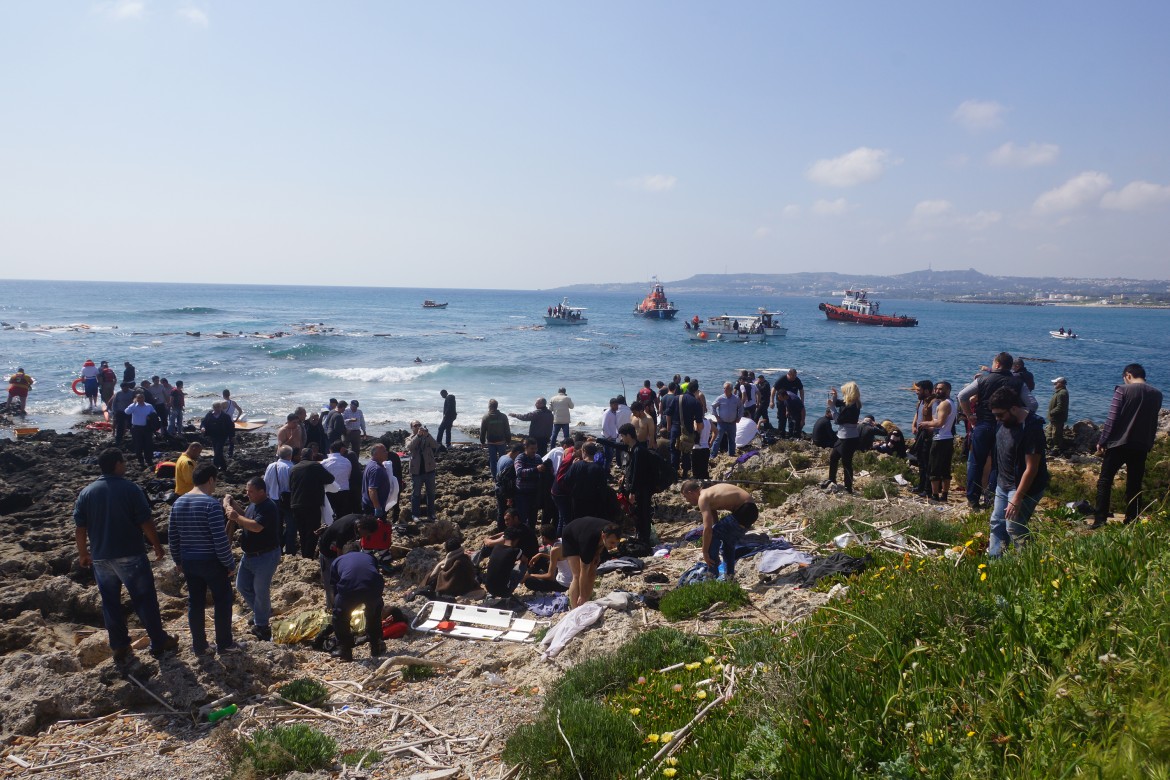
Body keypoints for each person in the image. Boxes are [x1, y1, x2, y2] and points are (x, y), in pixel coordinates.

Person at [74, 448, 178, 664]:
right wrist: (156, 545)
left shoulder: (86, 493)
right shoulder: (130, 489)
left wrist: (83, 553)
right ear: (117, 464)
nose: (125, 465)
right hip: (130, 554)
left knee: (110, 602)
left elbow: (80, 527)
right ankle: (158, 641)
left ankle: (119, 645)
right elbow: (145, 521)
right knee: (144, 599)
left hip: (101, 557)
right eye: (123, 462)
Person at [170, 463, 239, 655]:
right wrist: (229, 563)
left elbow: (173, 536)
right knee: (223, 600)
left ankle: (199, 646)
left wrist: (177, 560)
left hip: (189, 561)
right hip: (211, 561)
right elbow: (220, 539)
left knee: (195, 602)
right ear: (210, 480)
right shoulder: (211, 504)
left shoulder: (178, 503)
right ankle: (225, 644)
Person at [957, 352, 1038, 510]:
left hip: (983, 423)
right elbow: (1033, 405)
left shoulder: (984, 379)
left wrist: (969, 415)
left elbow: (962, 396)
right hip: (1006, 427)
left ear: (997, 364)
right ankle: (991, 499)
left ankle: (972, 498)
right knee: (998, 464)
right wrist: (1018, 415)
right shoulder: (1018, 382)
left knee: (976, 462)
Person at [1091, 364, 1163, 528]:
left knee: (1105, 480)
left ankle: (1100, 519)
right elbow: (1153, 421)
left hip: (1119, 443)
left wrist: (1102, 441)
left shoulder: (1122, 390)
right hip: (1141, 444)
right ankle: (1131, 519)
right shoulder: (1157, 394)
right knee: (1135, 483)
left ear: (1128, 375)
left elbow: (1112, 419)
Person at [987, 387, 1049, 557]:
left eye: (1000, 414)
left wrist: (1017, 497)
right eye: (996, 415)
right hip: (1003, 483)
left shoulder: (1032, 428)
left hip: (1023, 488)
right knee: (997, 523)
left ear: (1014, 408)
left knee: (1014, 527)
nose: (998, 419)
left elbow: (1032, 468)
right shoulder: (1005, 422)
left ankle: (1028, 562)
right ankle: (994, 562)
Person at [223, 477, 280, 641]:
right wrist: (234, 507)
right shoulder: (254, 504)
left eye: (251, 492)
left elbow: (256, 526)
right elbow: (246, 517)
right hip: (249, 555)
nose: (248, 494)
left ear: (262, 492)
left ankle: (262, 626)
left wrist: (235, 517)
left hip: (266, 556)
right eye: (247, 491)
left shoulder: (269, 507)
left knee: (261, 591)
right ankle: (260, 613)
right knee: (242, 586)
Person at [680, 480, 758, 580]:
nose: (687, 501)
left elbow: (708, 529)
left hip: (744, 509)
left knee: (713, 535)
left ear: (690, 493)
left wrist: (705, 552)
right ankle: (729, 578)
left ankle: (711, 574)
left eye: (686, 497)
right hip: (751, 511)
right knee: (728, 544)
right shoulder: (709, 493)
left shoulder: (702, 498)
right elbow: (714, 521)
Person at [329, 542, 386, 661]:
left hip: (349, 588)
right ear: (359, 550)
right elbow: (373, 572)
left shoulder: (337, 561)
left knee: (340, 617)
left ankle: (345, 650)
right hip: (373, 587)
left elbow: (334, 586)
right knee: (374, 613)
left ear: (343, 552)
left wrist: (337, 606)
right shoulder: (370, 557)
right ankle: (376, 644)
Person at [318, 514, 379, 611]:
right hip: (328, 552)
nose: (367, 537)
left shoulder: (360, 520)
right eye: (367, 534)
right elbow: (340, 559)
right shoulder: (345, 531)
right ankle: (333, 609)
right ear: (360, 528)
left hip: (341, 548)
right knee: (332, 583)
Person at [561, 516, 621, 608]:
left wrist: (597, 553)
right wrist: (581, 595)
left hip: (586, 531)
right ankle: (574, 608)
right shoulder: (588, 542)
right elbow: (583, 573)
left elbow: (601, 542)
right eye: (612, 543)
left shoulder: (612, 530)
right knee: (577, 575)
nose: (614, 546)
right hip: (570, 536)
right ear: (603, 536)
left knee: (592, 573)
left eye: (617, 543)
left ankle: (585, 602)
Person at [289, 450, 335, 558]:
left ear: (301, 456)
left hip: (295, 503)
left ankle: (305, 554)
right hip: (311, 503)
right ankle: (308, 556)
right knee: (313, 531)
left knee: (302, 531)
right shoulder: (314, 465)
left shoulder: (293, 468)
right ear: (311, 456)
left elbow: (291, 486)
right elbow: (330, 478)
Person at [919, 382, 958, 502]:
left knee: (934, 468)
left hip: (940, 439)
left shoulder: (944, 404)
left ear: (948, 390)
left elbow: (939, 423)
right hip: (947, 438)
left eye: (941, 389)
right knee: (945, 468)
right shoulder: (951, 403)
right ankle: (944, 495)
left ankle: (935, 495)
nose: (937, 391)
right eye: (936, 389)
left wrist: (925, 423)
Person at [619, 423, 655, 541]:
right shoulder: (632, 448)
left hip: (642, 488)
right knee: (639, 513)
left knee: (643, 513)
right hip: (640, 487)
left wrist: (632, 492)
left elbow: (637, 473)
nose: (621, 438)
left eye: (622, 436)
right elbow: (615, 445)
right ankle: (642, 536)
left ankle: (644, 538)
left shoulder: (638, 450)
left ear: (628, 435)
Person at [823, 382, 862, 493]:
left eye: (844, 392)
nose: (843, 394)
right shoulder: (850, 403)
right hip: (843, 437)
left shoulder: (852, 407)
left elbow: (837, 420)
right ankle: (832, 479)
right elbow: (839, 403)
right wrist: (834, 397)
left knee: (846, 463)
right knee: (834, 457)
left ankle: (848, 488)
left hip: (848, 439)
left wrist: (831, 408)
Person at [563, 441, 608, 521]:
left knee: (576, 523)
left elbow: (566, 480)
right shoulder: (599, 468)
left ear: (584, 451)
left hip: (577, 500)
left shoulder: (576, 465)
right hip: (592, 501)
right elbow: (603, 488)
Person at [264, 445, 296, 556]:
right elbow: (292, 486)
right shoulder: (291, 467)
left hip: (273, 500)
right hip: (287, 501)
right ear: (290, 455)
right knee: (291, 526)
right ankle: (290, 551)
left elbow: (266, 483)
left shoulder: (271, 466)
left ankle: (277, 549)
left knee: (277, 527)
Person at [524, 525, 572, 593]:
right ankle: (530, 573)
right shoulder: (561, 540)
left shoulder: (554, 550)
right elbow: (560, 558)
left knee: (529, 582)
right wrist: (541, 554)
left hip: (563, 584)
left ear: (544, 538)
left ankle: (527, 575)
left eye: (541, 537)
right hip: (569, 577)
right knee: (540, 559)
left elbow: (550, 576)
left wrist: (531, 576)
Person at [408, 420, 440, 520]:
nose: (418, 427)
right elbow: (409, 447)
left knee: (430, 493)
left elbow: (435, 445)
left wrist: (427, 435)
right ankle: (415, 515)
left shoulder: (427, 436)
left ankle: (431, 514)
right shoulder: (409, 438)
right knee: (416, 494)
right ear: (412, 428)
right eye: (415, 425)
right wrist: (418, 436)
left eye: (419, 425)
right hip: (416, 471)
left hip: (429, 469)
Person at [909, 380, 936, 496]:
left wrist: (929, 427)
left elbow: (936, 418)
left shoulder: (933, 402)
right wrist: (914, 424)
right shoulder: (921, 402)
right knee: (920, 460)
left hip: (927, 436)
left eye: (919, 390)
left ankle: (927, 489)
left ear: (926, 391)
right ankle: (921, 486)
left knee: (926, 462)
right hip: (920, 434)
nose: (916, 392)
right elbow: (917, 413)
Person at [512, 437, 546, 527]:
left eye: (536, 448)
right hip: (522, 493)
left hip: (534, 493)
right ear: (526, 448)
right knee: (522, 518)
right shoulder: (520, 457)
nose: (534, 451)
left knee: (533, 519)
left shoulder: (538, 458)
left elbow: (542, 472)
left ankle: (530, 536)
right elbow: (519, 472)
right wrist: (536, 469)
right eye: (532, 449)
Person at [125, 391, 159, 469]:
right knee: (138, 445)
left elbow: (154, 413)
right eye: (139, 398)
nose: (140, 399)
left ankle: (149, 460)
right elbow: (126, 412)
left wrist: (150, 416)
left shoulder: (149, 406)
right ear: (136, 399)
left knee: (148, 444)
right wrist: (133, 404)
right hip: (136, 428)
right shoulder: (133, 406)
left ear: (144, 398)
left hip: (146, 428)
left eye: (142, 398)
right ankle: (141, 461)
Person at [480, 399, 512, 478]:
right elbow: (507, 429)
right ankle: (502, 475)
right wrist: (508, 440)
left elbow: (482, 431)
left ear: (489, 406)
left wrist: (482, 441)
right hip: (501, 442)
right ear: (497, 406)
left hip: (491, 442)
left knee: (493, 460)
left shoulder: (485, 417)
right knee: (503, 460)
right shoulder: (503, 416)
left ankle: (494, 476)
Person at [322, 440, 354, 517]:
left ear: (330, 450)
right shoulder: (347, 461)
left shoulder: (324, 463)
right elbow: (348, 476)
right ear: (341, 449)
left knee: (330, 516)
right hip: (344, 491)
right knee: (343, 516)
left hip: (329, 492)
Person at [200, 401, 234, 470]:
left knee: (218, 450)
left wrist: (232, 436)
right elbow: (204, 422)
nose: (217, 408)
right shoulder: (209, 415)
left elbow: (231, 427)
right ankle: (224, 467)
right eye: (216, 407)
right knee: (217, 451)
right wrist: (203, 428)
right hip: (213, 436)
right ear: (213, 408)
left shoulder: (225, 416)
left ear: (221, 407)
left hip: (222, 436)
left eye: (219, 407)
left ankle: (214, 467)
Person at [711, 382, 742, 457]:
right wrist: (717, 417)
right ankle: (712, 455)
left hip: (732, 423)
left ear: (731, 389)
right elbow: (713, 406)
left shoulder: (736, 398)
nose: (725, 390)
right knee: (718, 439)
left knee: (732, 439)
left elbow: (741, 408)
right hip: (722, 423)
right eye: (724, 388)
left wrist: (739, 417)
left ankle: (731, 454)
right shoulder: (720, 398)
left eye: (727, 388)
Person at [1047, 377, 1069, 455]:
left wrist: (1052, 412)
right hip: (1054, 417)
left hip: (1057, 418)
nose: (1054, 384)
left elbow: (1061, 407)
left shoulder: (1062, 393)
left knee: (1056, 434)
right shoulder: (1059, 392)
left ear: (1061, 383)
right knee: (1050, 432)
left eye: (1056, 383)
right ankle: (1050, 447)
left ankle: (1057, 449)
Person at [221, 389, 244, 457]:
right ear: (229, 394)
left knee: (222, 438)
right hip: (231, 422)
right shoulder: (233, 402)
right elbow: (240, 410)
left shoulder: (223, 403)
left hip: (224, 423)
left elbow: (220, 413)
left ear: (223, 395)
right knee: (232, 438)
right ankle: (230, 453)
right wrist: (236, 419)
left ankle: (220, 452)